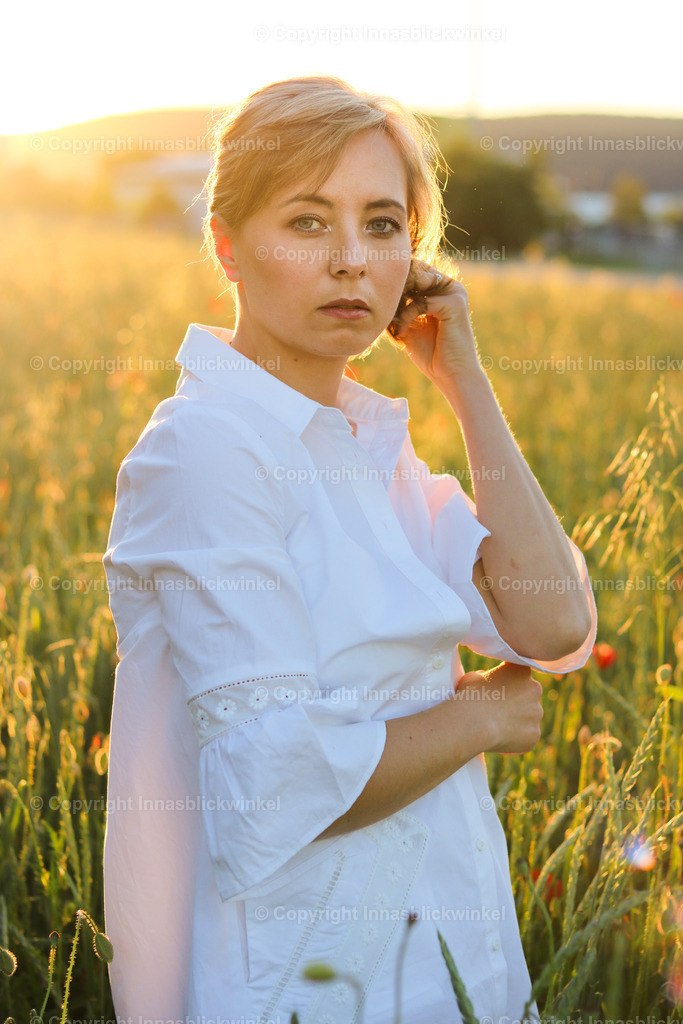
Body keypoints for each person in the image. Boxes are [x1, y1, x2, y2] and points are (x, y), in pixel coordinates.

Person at [102, 74, 596, 1024]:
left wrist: (464, 379)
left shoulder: (371, 447)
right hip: (308, 983)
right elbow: (271, 789)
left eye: (381, 224)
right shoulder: (209, 450)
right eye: (307, 221)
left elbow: (553, 618)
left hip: (457, 963)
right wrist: (483, 720)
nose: (350, 262)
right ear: (228, 245)